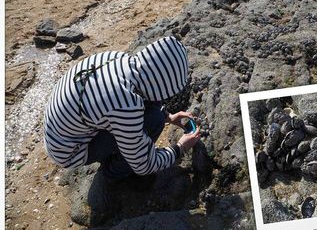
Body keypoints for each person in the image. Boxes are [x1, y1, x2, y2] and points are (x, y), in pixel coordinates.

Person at [43, 36, 200, 180]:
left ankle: (118, 149)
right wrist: (180, 148)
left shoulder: (119, 58)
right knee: (154, 120)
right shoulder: (125, 106)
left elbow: (145, 93)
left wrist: (169, 116)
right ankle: (113, 171)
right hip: (68, 151)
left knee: (155, 111)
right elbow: (144, 165)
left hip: (59, 128)